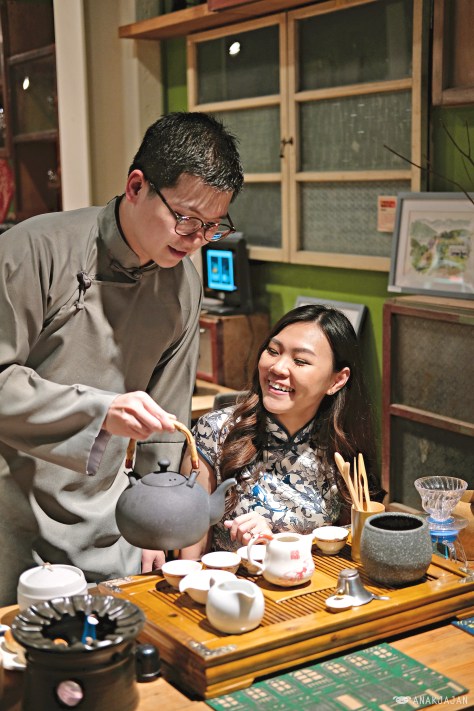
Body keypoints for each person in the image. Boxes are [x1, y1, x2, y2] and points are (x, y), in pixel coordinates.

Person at [0, 111, 244, 605]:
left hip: (109, 518)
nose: (196, 240)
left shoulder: (183, 284)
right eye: (185, 219)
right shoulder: (34, 250)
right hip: (12, 509)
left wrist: (155, 517)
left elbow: (167, 417)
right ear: (136, 186)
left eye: (211, 227)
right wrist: (100, 411)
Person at [180, 304, 380, 558]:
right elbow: (190, 557)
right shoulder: (215, 432)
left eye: (300, 361)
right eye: (273, 351)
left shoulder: (344, 448)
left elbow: (352, 547)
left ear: (337, 380)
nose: (277, 368)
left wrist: (279, 543)